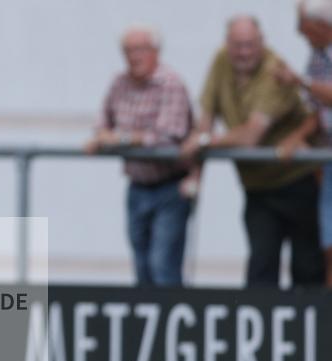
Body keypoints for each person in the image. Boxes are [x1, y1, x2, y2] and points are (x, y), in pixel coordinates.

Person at [181, 15, 326, 287]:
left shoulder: (275, 69)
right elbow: (206, 117)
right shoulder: (221, 60)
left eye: (250, 45)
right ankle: (263, 328)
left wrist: (203, 142)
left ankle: (308, 329)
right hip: (256, 187)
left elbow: (250, 135)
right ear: (227, 43)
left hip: (296, 182)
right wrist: (196, 173)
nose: (244, 52)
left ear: (261, 42)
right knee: (261, 265)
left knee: (306, 266)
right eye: (238, 45)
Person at [86, 25, 196, 287]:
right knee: (142, 264)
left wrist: (122, 139)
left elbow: (168, 136)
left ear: (155, 51)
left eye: (140, 49)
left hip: (171, 186)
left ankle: (172, 322)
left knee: (163, 264)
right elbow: (102, 124)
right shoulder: (119, 83)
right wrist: (103, 138)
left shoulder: (171, 83)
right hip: (137, 186)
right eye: (128, 50)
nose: (134, 56)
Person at [274, 0, 332, 286]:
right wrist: (295, 138)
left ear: (323, 26)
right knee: (329, 245)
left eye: (304, 26)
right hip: (329, 160)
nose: (299, 32)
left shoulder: (310, 70)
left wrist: (300, 81)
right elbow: (317, 113)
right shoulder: (318, 56)